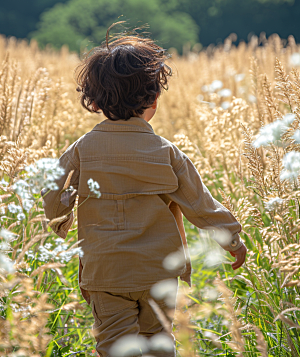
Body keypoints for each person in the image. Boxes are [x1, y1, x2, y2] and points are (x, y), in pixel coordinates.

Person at [42, 23, 247, 357]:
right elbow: (202, 205)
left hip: (104, 273)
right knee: (159, 345)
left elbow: (51, 193)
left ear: (93, 101)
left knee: (115, 347)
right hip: (159, 271)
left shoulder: (83, 149)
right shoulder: (167, 152)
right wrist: (232, 239)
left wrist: (62, 217)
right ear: (154, 98)